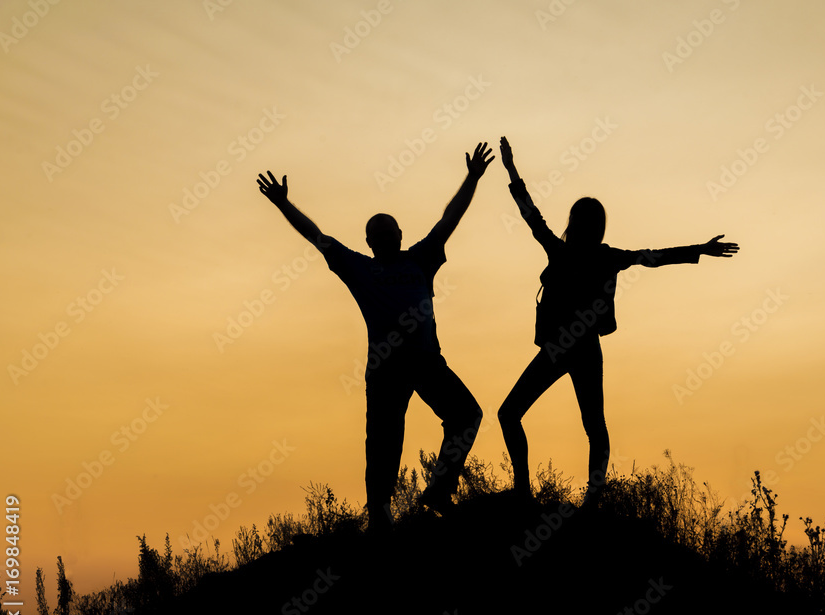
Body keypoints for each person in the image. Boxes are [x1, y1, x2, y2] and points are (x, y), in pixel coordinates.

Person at [256, 142, 495, 533]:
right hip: (386, 367)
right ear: (369, 242)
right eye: (378, 236)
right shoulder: (360, 268)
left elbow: (450, 218)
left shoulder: (421, 257)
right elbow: (317, 236)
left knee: (466, 415)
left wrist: (472, 177)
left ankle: (438, 491)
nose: (385, 240)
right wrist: (284, 204)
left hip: (426, 360)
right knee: (384, 443)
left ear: (400, 235)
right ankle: (380, 518)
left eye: (389, 234)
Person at [496, 136, 738, 505]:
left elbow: (531, 214)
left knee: (517, 414)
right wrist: (699, 249)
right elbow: (654, 257)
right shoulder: (607, 256)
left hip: (566, 346)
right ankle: (583, 496)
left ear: (574, 224)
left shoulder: (564, 252)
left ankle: (530, 493)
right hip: (583, 348)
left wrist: (511, 168)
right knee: (589, 425)